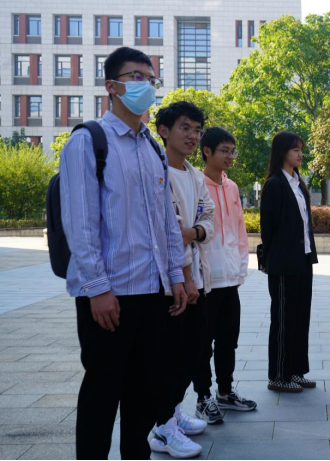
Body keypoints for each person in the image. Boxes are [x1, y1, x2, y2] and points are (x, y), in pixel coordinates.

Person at [60, 47, 188, 460]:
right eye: (136, 77)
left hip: (151, 293)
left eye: (150, 78)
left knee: (143, 397)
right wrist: (98, 288)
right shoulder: (88, 141)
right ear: (111, 86)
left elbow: (166, 220)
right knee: (102, 396)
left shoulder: (152, 147)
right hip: (110, 296)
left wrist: (176, 275)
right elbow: (80, 223)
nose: (145, 85)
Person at [149, 101, 216, 458]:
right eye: (185, 128)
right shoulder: (157, 171)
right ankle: (161, 428)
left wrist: (195, 232)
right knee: (171, 357)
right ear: (164, 131)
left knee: (194, 352)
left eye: (197, 130)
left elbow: (208, 219)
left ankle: (173, 412)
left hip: (196, 280)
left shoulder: (194, 175)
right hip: (168, 284)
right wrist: (186, 275)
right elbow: (168, 231)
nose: (193, 136)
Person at [195, 127, 257, 414]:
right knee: (202, 343)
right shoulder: (196, 184)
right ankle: (202, 398)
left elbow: (239, 228)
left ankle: (225, 391)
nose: (230, 156)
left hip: (230, 279)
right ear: (207, 151)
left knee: (228, 341)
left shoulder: (231, 187)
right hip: (205, 281)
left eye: (233, 151)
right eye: (225, 151)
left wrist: (241, 267)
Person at [260, 131, 318, 393]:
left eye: (301, 149)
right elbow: (268, 229)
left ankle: (295, 371)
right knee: (283, 320)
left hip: (303, 260)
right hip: (283, 263)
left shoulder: (299, 184)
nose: (300, 154)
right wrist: (273, 258)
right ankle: (278, 376)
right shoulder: (274, 185)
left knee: (300, 318)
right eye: (296, 149)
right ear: (283, 152)